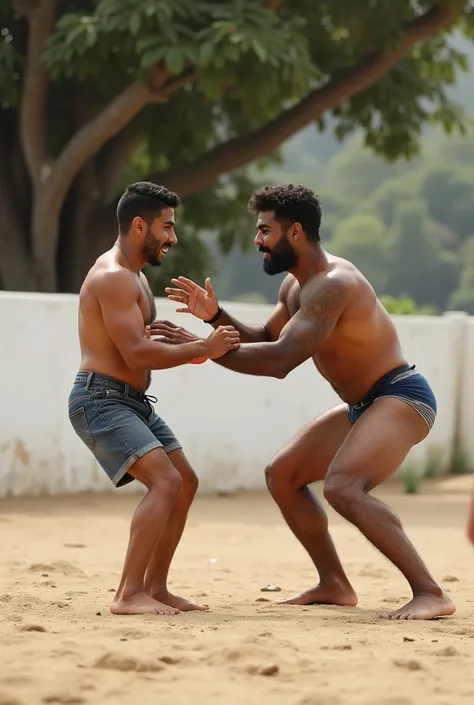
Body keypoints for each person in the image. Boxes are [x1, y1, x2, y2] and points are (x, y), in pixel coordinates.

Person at [156, 183, 455, 621]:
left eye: (264, 231)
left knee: (342, 487)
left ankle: (430, 592)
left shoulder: (333, 284)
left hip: (401, 395)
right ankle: (334, 583)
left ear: (295, 232)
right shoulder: (296, 288)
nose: (257, 240)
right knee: (283, 475)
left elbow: (280, 361)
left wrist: (202, 348)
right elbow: (267, 339)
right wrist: (216, 320)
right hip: (365, 405)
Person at [68, 181, 240, 616]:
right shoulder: (112, 277)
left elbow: (145, 347)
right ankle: (128, 594)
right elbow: (136, 353)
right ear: (139, 226)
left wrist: (190, 346)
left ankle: (155, 588)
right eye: (167, 227)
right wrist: (202, 349)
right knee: (165, 482)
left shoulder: (137, 278)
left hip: (131, 400)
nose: (173, 238)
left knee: (185, 482)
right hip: (101, 400)